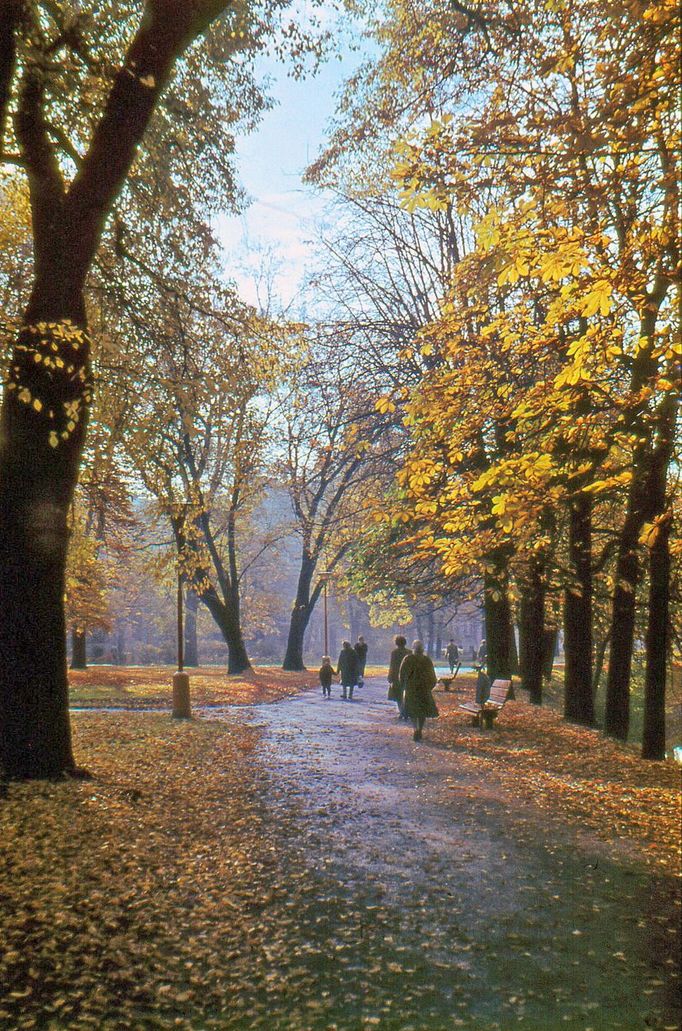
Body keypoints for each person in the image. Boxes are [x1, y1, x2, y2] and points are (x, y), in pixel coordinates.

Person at [399, 639, 439, 741]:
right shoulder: (426, 660)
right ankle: (420, 729)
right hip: (424, 689)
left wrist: (404, 686)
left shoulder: (408, 659)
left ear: (413, 648)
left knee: (412, 711)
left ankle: (415, 728)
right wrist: (429, 687)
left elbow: (402, 674)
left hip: (411, 689)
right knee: (422, 711)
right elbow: (432, 677)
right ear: (422, 649)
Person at [387, 635, 411, 718]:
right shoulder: (409, 652)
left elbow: (392, 665)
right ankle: (405, 711)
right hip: (407, 675)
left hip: (396, 676)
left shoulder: (394, 653)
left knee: (398, 695)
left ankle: (402, 711)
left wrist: (390, 676)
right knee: (407, 694)